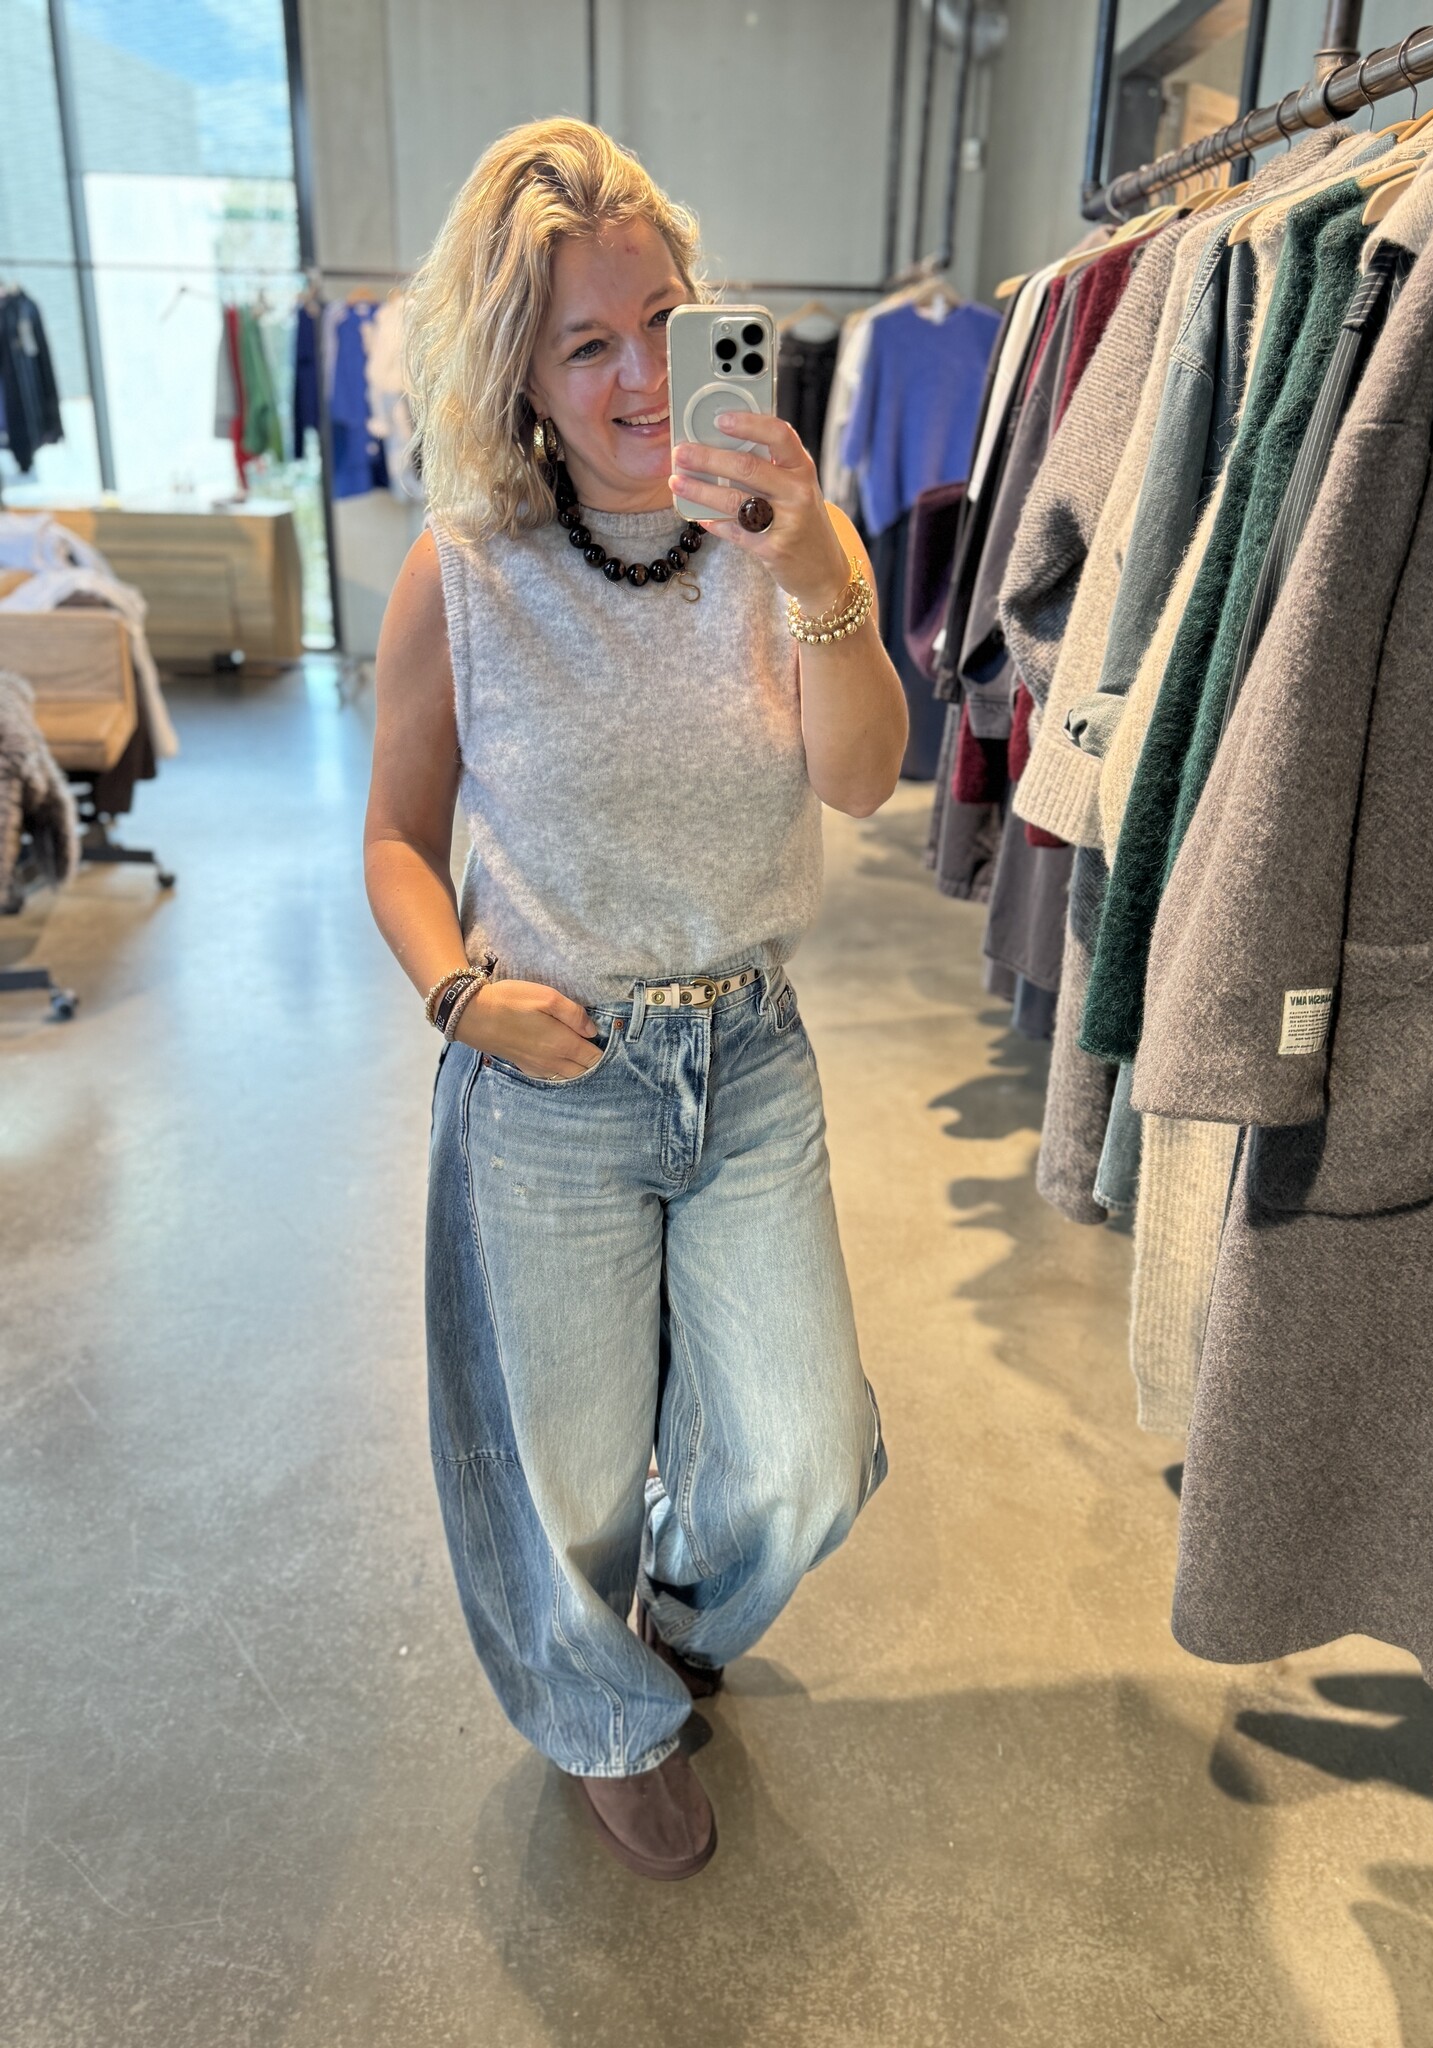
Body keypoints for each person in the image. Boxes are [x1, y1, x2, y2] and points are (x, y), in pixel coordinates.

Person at [363, 118, 905, 1881]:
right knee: (565, 1477)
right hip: (550, 1071)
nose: (638, 377)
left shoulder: (789, 540)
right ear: (519, 371)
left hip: (746, 1056)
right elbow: (395, 841)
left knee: (802, 1461)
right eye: (584, 343)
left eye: (659, 323)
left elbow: (862, 782)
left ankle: (665, 1628)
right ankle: (602, 1711)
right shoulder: (463, 572)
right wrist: (460, 1000)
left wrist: (814, 571)